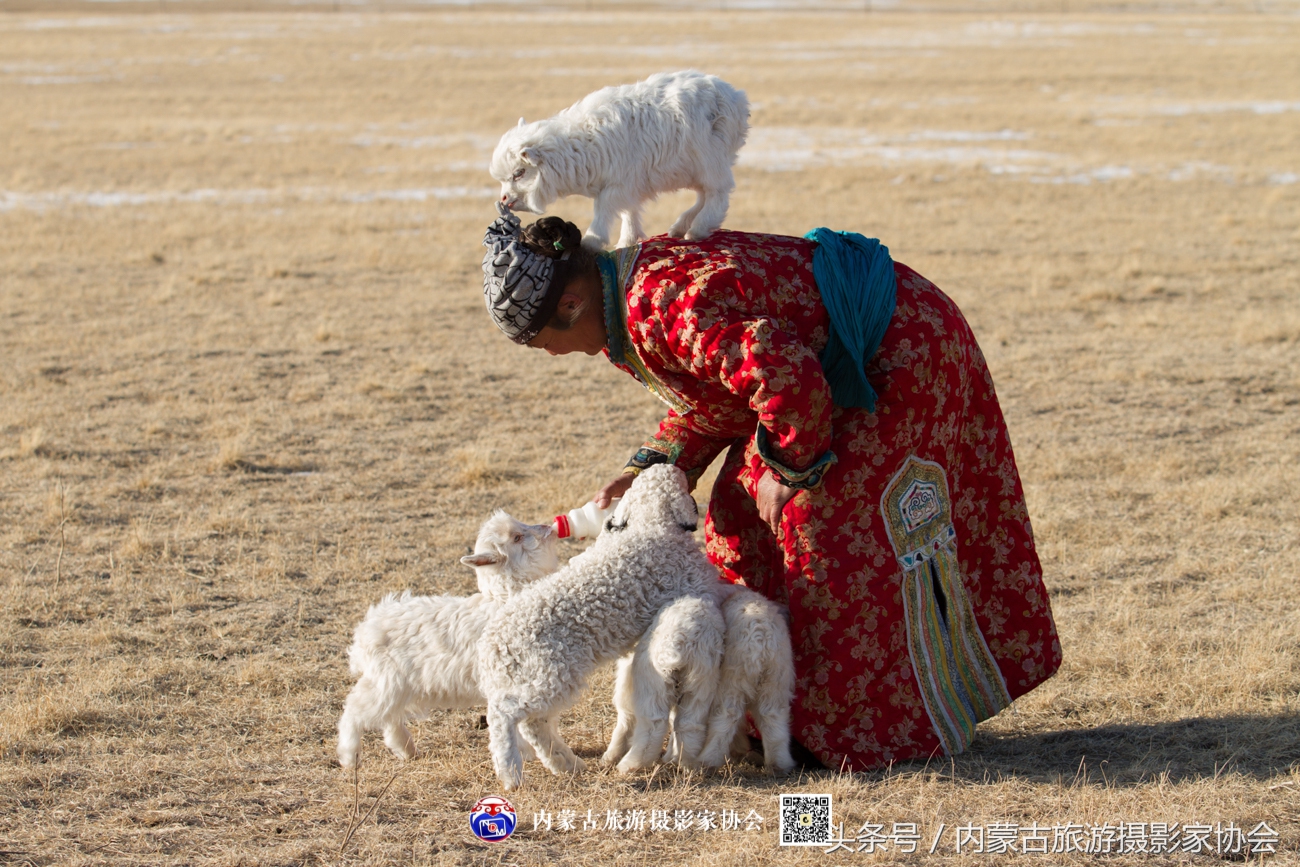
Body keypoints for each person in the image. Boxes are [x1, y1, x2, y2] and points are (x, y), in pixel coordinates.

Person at [480, 203, 1061, 772]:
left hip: (900, 350)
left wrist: (787, 470)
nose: (550, 354)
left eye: (541, 342)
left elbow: (785, 376)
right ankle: (757, 715)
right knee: (734, 513)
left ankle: (856, 734)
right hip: (832, 364)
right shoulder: (625, 301)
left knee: (824, 530)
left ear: (571, 302)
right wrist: (652, 465)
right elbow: (722, 394)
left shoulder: (659, 303)